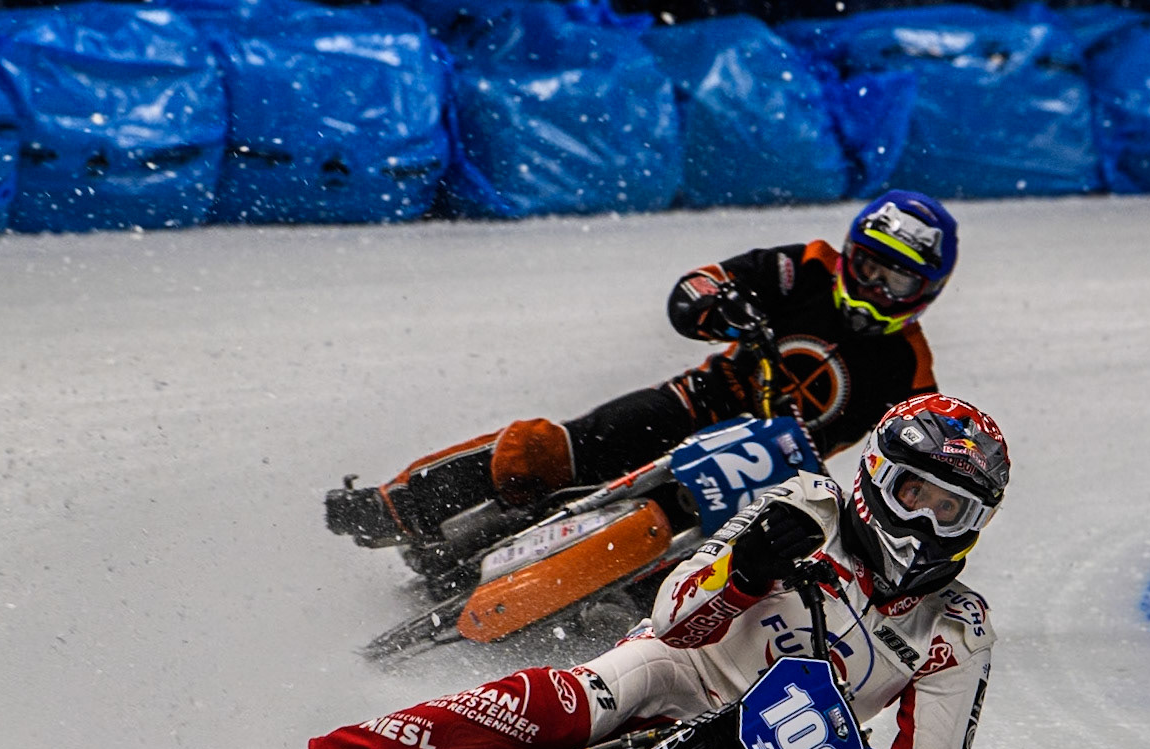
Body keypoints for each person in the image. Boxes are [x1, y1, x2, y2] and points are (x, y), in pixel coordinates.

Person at [242, 393, 1008, 749]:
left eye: (953, 510)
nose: (924, 523)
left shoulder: (956, 626)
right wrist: (745, 566)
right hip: (678, 674)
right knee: (581, 699)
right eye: (915, 493)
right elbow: (677, 612)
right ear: (877, 475)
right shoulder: (807, 508)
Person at [325, 190, 960, 553]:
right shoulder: (804, 267)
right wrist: (717, 303)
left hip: (777, 474)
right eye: (869, 264)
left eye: (895, 277)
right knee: (547, 450)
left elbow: (925, 447)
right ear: (850, 252)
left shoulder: (910, 366)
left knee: (748, 573)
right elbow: (701, 284)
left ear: (923, 290)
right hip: (693, 407)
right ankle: (396, 505)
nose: (874, 285)